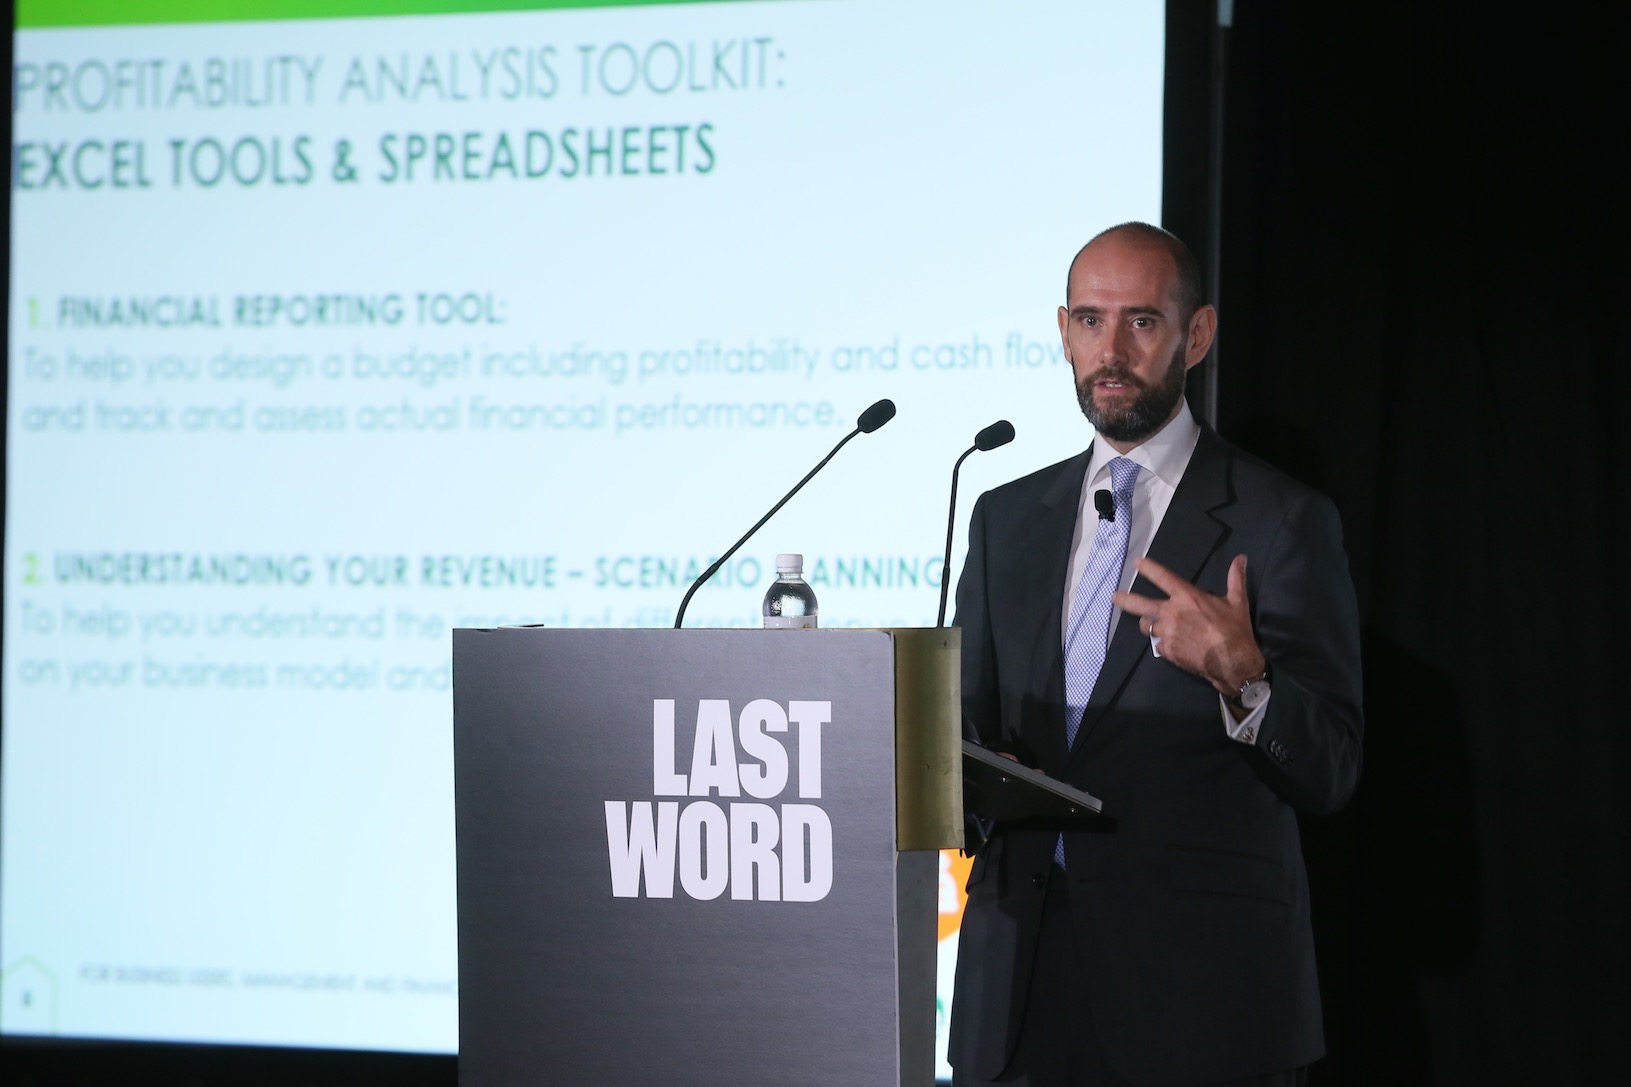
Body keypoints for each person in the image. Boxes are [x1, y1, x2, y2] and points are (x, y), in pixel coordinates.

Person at [948, 222, 1363, 1087]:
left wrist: (1246, 680)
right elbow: (967, 729)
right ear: (1062, 330)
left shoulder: (1279, 520)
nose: (1110, 352)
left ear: (1196, 335)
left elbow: (1331, 769)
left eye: (1140, 321)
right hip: (1017, 988)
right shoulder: (1003, 518)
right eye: (1089, 321)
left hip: (1201, 1001)